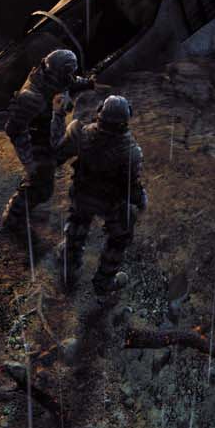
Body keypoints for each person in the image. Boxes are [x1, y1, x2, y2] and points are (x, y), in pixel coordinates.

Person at [55, 94, 145, 293]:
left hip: (82, 194)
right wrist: (141, 201)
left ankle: (69, 262)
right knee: (120, 236)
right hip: (109, 204)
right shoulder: (132, 152)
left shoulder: (81, 133)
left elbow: (59, 155)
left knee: (78, 219)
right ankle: (104, 282)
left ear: (100, 113)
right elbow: (132, 188)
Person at [1, 49, 93, 235]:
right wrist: (28, 162)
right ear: (56, 73)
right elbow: (14, 130)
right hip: (36, 143)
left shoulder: (54, 78)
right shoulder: (31, 98)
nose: (70, 77)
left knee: (80, 135)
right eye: (67, 74)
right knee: (42, 187)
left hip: (48, 134)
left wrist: (88, 83)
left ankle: (42, 174)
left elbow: (71, 81)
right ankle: (12, 219)